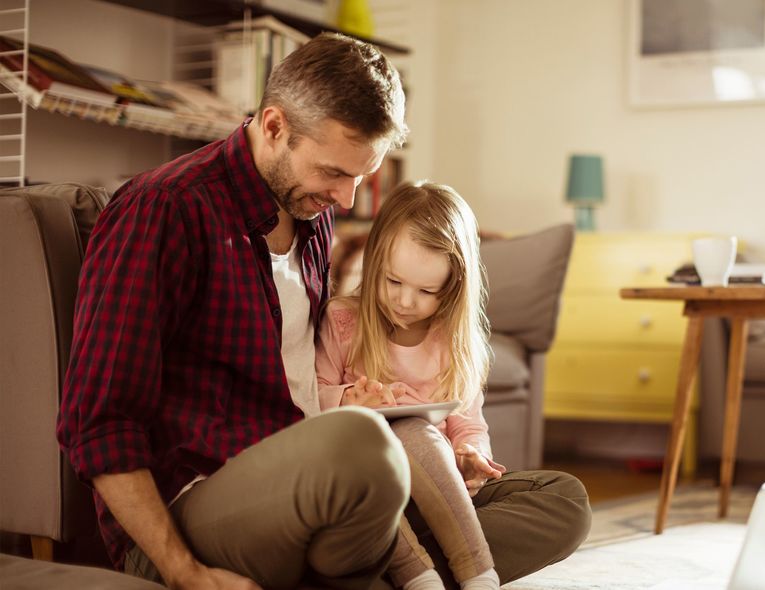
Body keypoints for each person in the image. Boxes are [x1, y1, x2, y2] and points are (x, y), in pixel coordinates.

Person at [56, 31, 590, 590]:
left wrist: (448, 455)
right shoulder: (164, 210)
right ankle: (404, 562)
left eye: (363, 176)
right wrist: (183, 571)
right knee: (364, 443)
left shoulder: (311, 213)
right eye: (335, 172)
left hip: (329, 486)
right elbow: (97, 421)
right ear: (273, 126)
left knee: (561, 500)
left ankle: (400, 569)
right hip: (198, 506)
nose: (348, 199)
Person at [317, 182, 503, 590]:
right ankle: (421, 578)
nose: (405, 302)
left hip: (441, 495)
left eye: (426, 291)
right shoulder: (342, 322)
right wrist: (348, 400)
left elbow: (469, 425)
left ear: (453, 289)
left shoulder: (455, 345)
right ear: (375, 261)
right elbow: (310, 399)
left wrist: (473, 457)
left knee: (566, 501)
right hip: (369, 495)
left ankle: (479, 574)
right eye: (393, 282)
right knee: (385, 441)